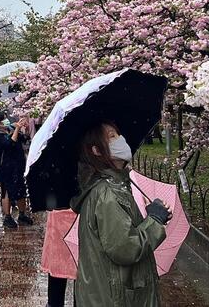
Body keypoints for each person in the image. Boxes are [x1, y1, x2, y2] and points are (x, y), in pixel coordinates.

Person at [71, 121, 171, 307]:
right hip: (114, 298)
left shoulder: (114, 185)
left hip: (107, 293)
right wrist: (155, 221)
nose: (121, 139)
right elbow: (125, 248)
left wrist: (152, 215)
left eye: (118, 134)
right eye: (111, 137)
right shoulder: (107, 193)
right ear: (97, 151)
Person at [0, 111, 34, 229]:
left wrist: (24, 129)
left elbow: (24, 140)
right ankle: (7, 217)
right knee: (7, 191)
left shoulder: (10, 128)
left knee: (21, 189)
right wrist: (17, 130)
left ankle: (22, 214)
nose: (6, 120)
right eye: (3, 119)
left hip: (18, 165)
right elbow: (9, 144)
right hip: (7, 167)